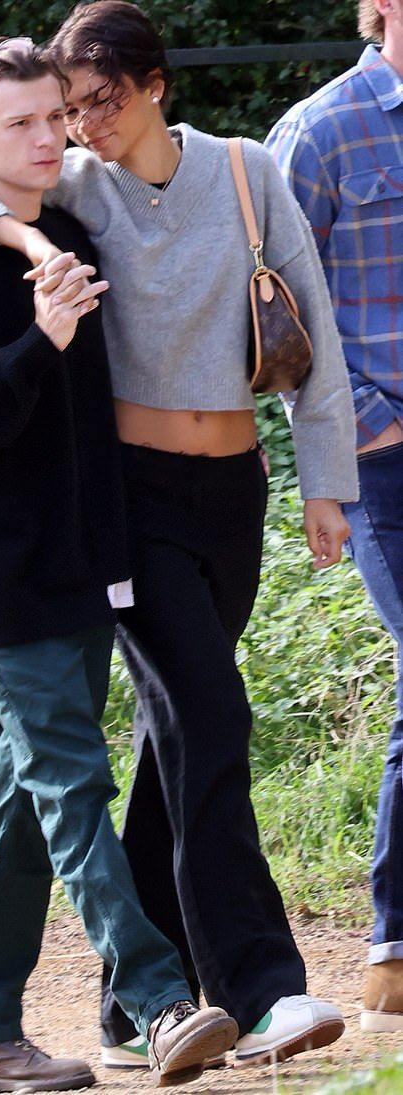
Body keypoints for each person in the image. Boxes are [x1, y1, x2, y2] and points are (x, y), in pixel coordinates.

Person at [0, 0, 358, 1068]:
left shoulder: (247, 171)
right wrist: (19, 232)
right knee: (210, 714)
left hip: (233, 490)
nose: (79, 126)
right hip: (131, 500)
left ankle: (117, 1010)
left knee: (174, 739)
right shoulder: (70, 191)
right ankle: (257, 992)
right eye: (65, 109)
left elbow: (315, 328)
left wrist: (320, 482)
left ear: (157, 85)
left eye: (99, 102)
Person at [0, 38, 239, 1094]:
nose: (47, 139)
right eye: (19, 125)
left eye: (54, 119)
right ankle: (161, 996)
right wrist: (38, 341)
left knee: (23, 801)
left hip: (84, 570)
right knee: (76, 786)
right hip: (1, 584)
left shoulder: (70, 231)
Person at [266, 0, 403, 1036]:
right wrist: (357, 430)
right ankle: (392, 948)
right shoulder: (319, 132)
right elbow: (265, 302)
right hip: (386, 462)